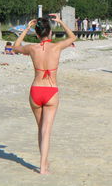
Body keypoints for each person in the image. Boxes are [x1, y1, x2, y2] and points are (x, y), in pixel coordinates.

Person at [12, 14, 76, 174]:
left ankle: (44, 163)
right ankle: (42, 167)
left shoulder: (32, 48)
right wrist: (61, 21)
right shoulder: (56, 47)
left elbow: (15, 46)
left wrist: (26, 29)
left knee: (40, 129)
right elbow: (73, 36)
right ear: (50, 33)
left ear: (38, 34)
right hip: (51, 91)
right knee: (46, 130)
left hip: (36, 90)